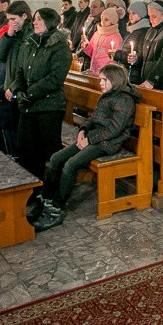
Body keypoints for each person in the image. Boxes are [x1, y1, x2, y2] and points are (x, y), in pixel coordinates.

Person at [31, 64, 141, 232]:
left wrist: (89, 140)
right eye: (101, 79)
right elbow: (94, 119)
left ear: (115, 80)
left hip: (108, 143)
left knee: (70, 164)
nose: (101, 83)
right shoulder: (108, 95)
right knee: (56, 158)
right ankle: (46, 200)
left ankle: (56, 208)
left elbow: (114, 129)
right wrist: (83, 131)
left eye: (105, 80)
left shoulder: (125, 100)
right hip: (95, 138)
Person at [6, 8, 71, 187]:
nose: (34, 22)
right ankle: (31, 190)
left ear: (50, 22)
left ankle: (51, 191)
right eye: (34, 19)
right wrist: (18, 90)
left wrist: (30, 93)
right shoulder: (30, 43)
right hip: (28, 106)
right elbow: (20, 71)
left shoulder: (60, 47)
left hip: (49, 107)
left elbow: (55, 78)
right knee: (26, 150)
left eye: (39, 19)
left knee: (48, 152)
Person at [0, 0, 34, 158]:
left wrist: (15, 86)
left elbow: (26, 66)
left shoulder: (32, 35)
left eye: (13, 19)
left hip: (22, 90)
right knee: (10, 128)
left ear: (24, 16)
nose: (11, 23)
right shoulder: (12, 34)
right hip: (9, 90)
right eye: (8, 19)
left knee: (21, 134)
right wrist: (8, 34)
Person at [110, 0, 150, 84]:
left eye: (134, 13)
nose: (130, 16)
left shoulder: (144, 31)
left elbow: (140, 56)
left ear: (142, 14)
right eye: (130, 13)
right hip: (126, 71)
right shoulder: (131, 30)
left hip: (133, 75)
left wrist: (118, 55)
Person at [81, 8, 123, 76]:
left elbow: (114, 59)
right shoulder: (97, 33)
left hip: (106, 74)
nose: (103, 21)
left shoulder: (116, 36)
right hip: (93, 69)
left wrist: (102, 73)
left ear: (112, 22)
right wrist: (86, 44)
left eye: (106, 20)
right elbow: (91, 52)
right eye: (102, 18)